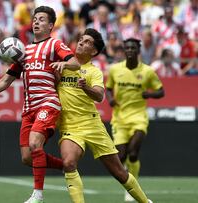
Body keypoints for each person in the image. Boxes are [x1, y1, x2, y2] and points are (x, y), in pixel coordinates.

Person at [0, 6, 79, 203]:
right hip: (28, 109)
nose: (36, 22)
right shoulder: (23, 52)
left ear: (51, 25)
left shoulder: (54, 45)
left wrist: (64, 64)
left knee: (35, 143)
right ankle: (66, 166)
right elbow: (4, 81)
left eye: (42, 19)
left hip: (48, 103)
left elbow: (75, 62)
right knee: (28, 157)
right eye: (35, 19)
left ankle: (38, 195)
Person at [50, 28, 153, 203]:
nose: (81, 42)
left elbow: (99, 96)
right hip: (70, 126)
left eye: (87, 42)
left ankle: (146, 201)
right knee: (68, 163)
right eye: (81, 39)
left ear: (94, 51)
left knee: (120, 172)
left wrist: (85, 87)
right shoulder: (63, 64)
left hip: (92, 125)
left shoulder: (94, 72)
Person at [106, 38, 164, 202]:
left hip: (139, 116)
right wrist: (110, 99)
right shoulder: (115, 70)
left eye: (133, 48)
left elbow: (161, 92)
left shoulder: (147, 71)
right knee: (121, 156)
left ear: (138, 51)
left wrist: (150, 94)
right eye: (127, 48)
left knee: (133, 152)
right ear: (124, 51)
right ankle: (129, 178)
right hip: (119, 118)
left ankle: (133, 186)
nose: (130, 50)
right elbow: (108, 88)